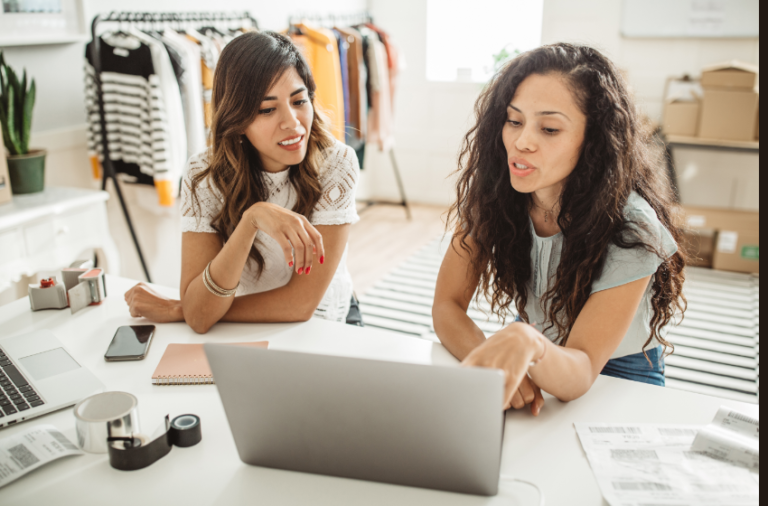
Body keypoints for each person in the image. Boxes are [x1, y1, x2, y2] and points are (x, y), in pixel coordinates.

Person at [432, 43, 687, 415]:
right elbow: (447, 306)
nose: (522, 142)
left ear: (595, 140)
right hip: (534, 345)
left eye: (549, 128)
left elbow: (581, 370)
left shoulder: (632, 227)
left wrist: (524, 343)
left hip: (615, 371)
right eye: (514, 121)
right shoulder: (495, 194)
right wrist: (499, 367)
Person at [124, 31, 360, 333]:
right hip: (244, 326)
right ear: (237, 119)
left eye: (299, 100)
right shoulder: (203, 175)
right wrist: (252, 219)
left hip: (329, 324)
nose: (293, 122)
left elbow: (300, 305)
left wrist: (182, 309)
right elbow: (200, 316)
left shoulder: (336, 164)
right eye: (267, 109)